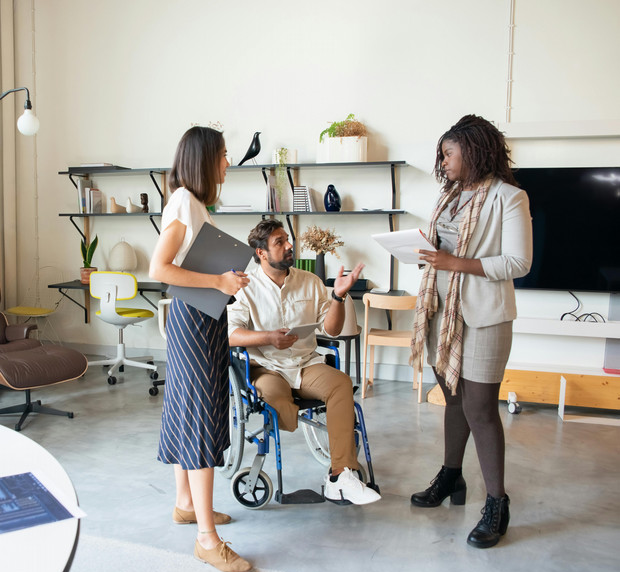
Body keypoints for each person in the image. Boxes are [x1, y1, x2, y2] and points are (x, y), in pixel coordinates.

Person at [409, 114, 532, 549]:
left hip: (484, 316)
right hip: (442, 311)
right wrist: (424, 251)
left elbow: (519, 263)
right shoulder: (450, 196)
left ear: (473, 150)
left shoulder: (509, 198)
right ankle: (451, 477)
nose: (443, 162)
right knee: (454, 399)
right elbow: (443, 251)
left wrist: (455, 263)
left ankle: (497, 503)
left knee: (480, 409)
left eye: (448, 153)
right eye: (442, 155)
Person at [149, 126, 252, 572]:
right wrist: (218, 281)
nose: (228, 163)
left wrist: (224, 279)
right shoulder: (183, 203)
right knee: (200, 417)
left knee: (190, 410)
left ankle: (186, 504)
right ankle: (207, 540)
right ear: (205, 159)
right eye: (224, 156)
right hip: (194, 319)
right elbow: (159, 268)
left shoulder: (195, 205)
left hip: (202, 317)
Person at [227, 219, 381, 506]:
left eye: (288, 240)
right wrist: (268, 337)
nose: (289, 246)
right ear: (261, 253)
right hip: (267, 367)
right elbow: (231, 334)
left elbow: (332, 330)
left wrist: (338, 296)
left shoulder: (310, 282)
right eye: (279, 242)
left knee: (341, 384)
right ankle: (319, 426)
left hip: (305, 363)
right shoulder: (246, 287)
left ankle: (340, 476)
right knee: (275, 396)